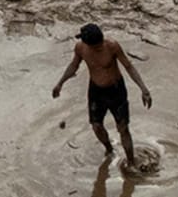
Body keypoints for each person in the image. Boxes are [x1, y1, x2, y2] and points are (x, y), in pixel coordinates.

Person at [53, 23, 151, 168]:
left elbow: (128, 66)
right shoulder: (81, 48)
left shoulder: (112, 46)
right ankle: (109, 149)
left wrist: (144, 89)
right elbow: (74, 66)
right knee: (96, 126)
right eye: (95, 46)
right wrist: (60, 83)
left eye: (99, 45)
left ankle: (131, 162)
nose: (98, 48)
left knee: (123, 128)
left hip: (116, 90)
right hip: (96, 90)